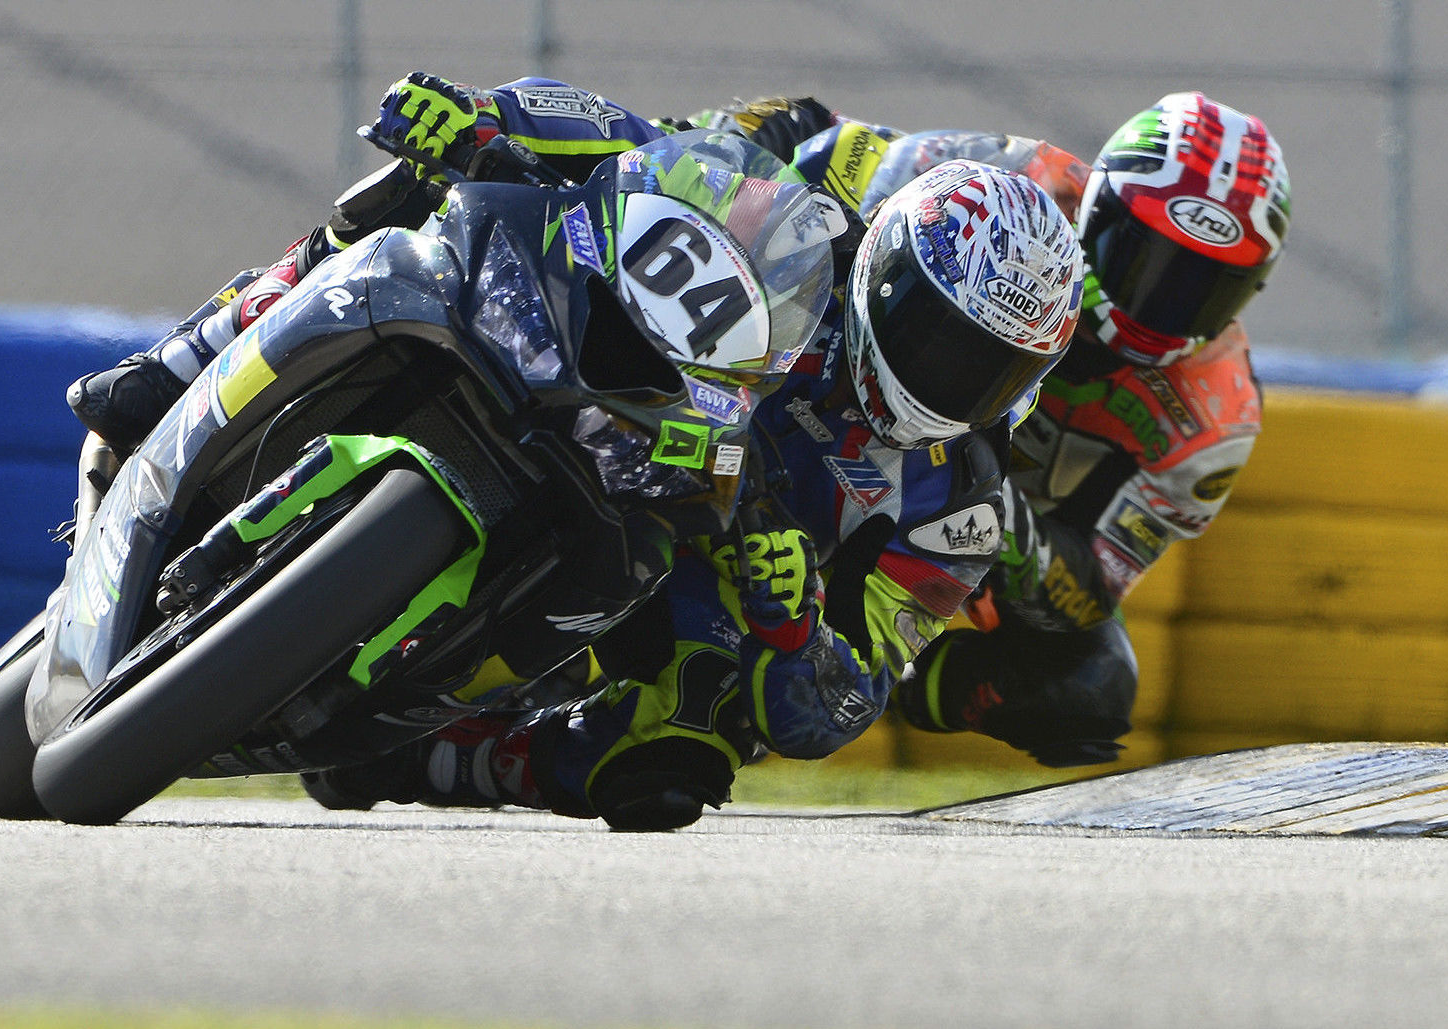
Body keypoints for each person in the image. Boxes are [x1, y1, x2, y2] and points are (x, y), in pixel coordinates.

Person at [66, 73, 1087, 829]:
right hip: (596, 377)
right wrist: (486, 117)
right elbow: (646, 148)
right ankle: (185, 355)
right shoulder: (800, 239)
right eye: (938, 337)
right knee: (422, 200)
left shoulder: (957, 510)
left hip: (678, 555)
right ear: (887, 275)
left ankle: (434, 755)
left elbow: (838, 703)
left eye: (986, 370)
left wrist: (795, 623)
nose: (948, 377)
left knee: (679, 753)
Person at [697, 92, 1292, 767]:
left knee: (1091, 686)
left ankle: (892, 673)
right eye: (1144, 258)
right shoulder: (1002, 182)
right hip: (827, 414)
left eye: (1205, 285)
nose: (1160, 304)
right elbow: (832, 158)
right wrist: (752, 137)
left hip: (951, 528)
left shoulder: (1218, 417)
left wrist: (980, 512)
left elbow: (1090, 585)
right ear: (1095, 208)